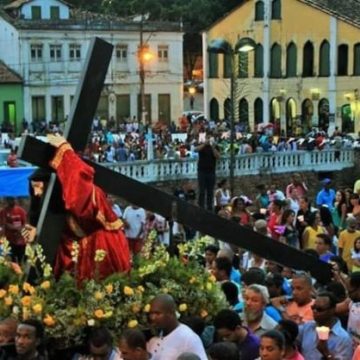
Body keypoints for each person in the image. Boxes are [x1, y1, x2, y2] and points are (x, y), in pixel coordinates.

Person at [23, 135, 131, 283]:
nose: (36, 193)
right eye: (33, 187)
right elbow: (62, 239)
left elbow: (79, 190)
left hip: (104, 249)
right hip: (80, 257)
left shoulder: (84, 196)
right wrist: (38, 235)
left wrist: (65, 153)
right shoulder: (55, 209)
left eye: (39, 186)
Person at [147, 294, 207, 360]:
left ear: (171, 313)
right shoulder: (153, 339)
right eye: (151, 313)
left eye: (157, 313)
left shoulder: (189, 338)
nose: (153, 317)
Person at [298, 292, 353, 360]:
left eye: (319, 309)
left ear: (332, 310)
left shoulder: (343, 338)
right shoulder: (307, 327)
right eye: (313, 307)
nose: (315, 311)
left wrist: (326, 352)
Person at [195, 132, 220, 212]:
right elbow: (196, 149)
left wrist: (212, 147)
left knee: (210, 191)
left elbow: (218, 156)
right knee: (202, 190)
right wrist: (204, 144)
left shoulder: (215, 147)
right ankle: (201, 206)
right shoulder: (202, 146)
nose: (209, 139)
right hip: (202, 171)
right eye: (207, 138)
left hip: (211, 171)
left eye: (210, 138)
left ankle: (209, 207)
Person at [0, 197, 27, 263]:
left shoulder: (21, 211)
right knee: (12, 263)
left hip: (20, 242)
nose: (13, 200)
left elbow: (24, 225)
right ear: (7, 200)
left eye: (14, 199)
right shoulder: (3, 212)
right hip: (9, 242)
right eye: (11, 199)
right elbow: (2, 226)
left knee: (20, 262)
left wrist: (12, 227)